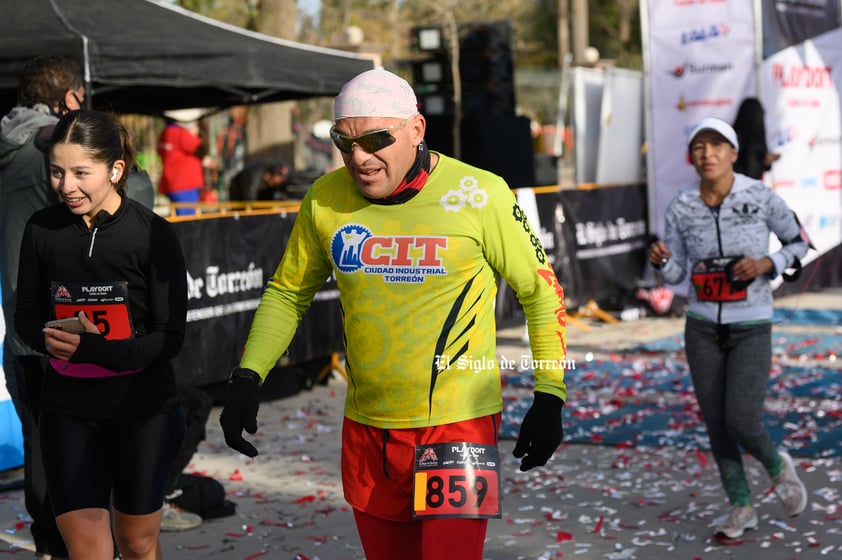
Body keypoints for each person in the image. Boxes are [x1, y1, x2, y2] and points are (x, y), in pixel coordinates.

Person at [219, 68, 569, 560]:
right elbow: (287, 293)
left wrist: (550, 394)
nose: (359, 157)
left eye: (376, 139)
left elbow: (542, 293)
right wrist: (248, 376)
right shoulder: (325, 198)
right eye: (345, 142)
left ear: (417, 130)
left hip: (457, 423)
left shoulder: (481, 193)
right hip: (369, 426)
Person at [14, 109, 189, 559]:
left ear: (115, 169)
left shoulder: (153, 235)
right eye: (56, 171)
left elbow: (170, 336)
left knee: (135, 543)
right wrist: (45, 338)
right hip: (68, 409)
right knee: (87, 549)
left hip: (142, 409)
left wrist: (101, 350)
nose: (65, 186)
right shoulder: (41, 230)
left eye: (80, 173)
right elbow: (26, 317)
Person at [647, 117, 809, 539]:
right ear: (692, 156)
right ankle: (741, 506)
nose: (707, 154)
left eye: (717, 145)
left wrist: (766, 264)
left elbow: (799, 242)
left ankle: (778, 467)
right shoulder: (681, 205)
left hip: (751, 324)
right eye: (699, 147)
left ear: (734, 153)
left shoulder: (760, 196)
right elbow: (678, 272)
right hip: (701, 326)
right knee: (716, 424)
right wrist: (664, 263)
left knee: (740, 419)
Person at [0, 54, 86, 559]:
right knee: (79, 447)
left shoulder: (8, 145)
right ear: (66, 99)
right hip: (64, 326)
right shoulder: (53, 147)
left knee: (39, 447)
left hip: (20, 329)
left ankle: (50, 545)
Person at [156, 108, 209, 216]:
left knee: (177, 219)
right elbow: (201, 148)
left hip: (171, 184)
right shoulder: (180, 133)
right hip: (186, 186)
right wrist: (196, 132)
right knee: (187, 222)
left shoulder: (165, 133)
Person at [732, 97, 780, 180]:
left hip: (754, 185)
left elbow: (761, 164)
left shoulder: (758, 136)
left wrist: (767, 160)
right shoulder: (733, 138)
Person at [227, 158, 292, 201]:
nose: (279, 183)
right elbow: (249, 198)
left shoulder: (272, 184)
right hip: (239, 199)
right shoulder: (254, 175)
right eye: (279, 179)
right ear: (269, 175)